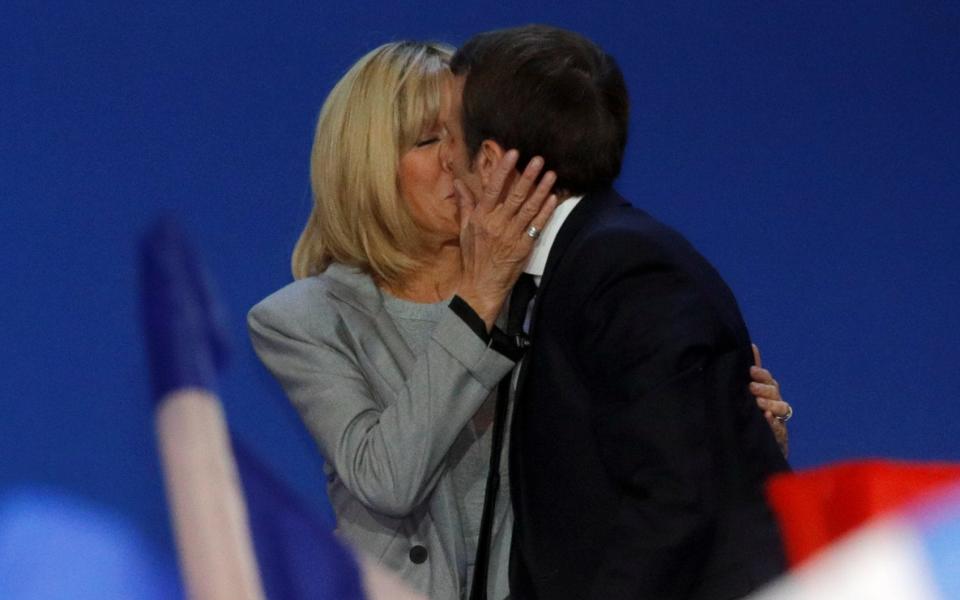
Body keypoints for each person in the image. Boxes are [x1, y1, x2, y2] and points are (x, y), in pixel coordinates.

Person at [248, 40, 792, 600]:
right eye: (429, 139)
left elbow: (636, 465)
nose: (454, 160)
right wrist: (479, 299)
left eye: (458, 134)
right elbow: (386, 480)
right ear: (366, 167)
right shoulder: (304, 319)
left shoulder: (543, 285)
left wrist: (730, 426)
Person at [444, 25, 791, 600]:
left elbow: (678, 498)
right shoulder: (572, 268)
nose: (444, 162)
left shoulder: (627, 273)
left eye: (446, 137)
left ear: (487, 162)